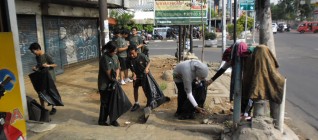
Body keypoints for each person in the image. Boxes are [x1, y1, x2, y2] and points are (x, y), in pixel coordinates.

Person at [29, 42, 58, 115]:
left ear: (38, 49)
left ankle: (54, 107)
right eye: (32, 52)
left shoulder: (46, 56)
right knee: (40, 92)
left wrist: (47, 65)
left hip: (49, 77)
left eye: (33, 51)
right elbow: (39, 65)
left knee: (50, 92)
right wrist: (36, 68)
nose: (33, 53)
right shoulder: (37, 57)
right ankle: (43, 107)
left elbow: (54, 65)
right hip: (42, 76)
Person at [98, 41, 120, 126]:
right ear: (109, 50)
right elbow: (109, 73)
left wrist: (116, 78)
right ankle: (102, 121)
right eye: (114, 51)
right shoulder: (104, 58)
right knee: (105, 103)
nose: (115, 52)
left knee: (113, 102)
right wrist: (114, 80)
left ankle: (113, 119)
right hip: (104, 85)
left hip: (113, 83)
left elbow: (118, 67)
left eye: (116, 50)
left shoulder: (115, 56)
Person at [127, 45, 150, 112]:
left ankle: (149, 103)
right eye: (130, 53)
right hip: (136, 76)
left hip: (144, 75)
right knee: (135, 88)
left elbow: (149, 61)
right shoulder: (129, 59)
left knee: (145, 89)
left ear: (136, 51)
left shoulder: (142, 56)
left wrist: (147, 68)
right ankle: (136, 103)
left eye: (133, 53)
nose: (131, 55)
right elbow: (131, 68)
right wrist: (133, 73)